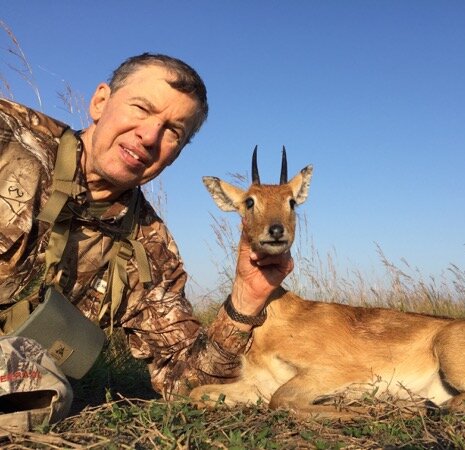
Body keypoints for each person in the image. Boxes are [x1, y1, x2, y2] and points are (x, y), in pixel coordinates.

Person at [0, 53, 293, 401]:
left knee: (42, 391)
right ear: (100, 102)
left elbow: (186, 380)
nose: (149, 135)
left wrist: (246, 298)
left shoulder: (149, 247)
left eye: (173, 132)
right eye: (141, 108)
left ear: (177, 153)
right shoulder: (10, 138)